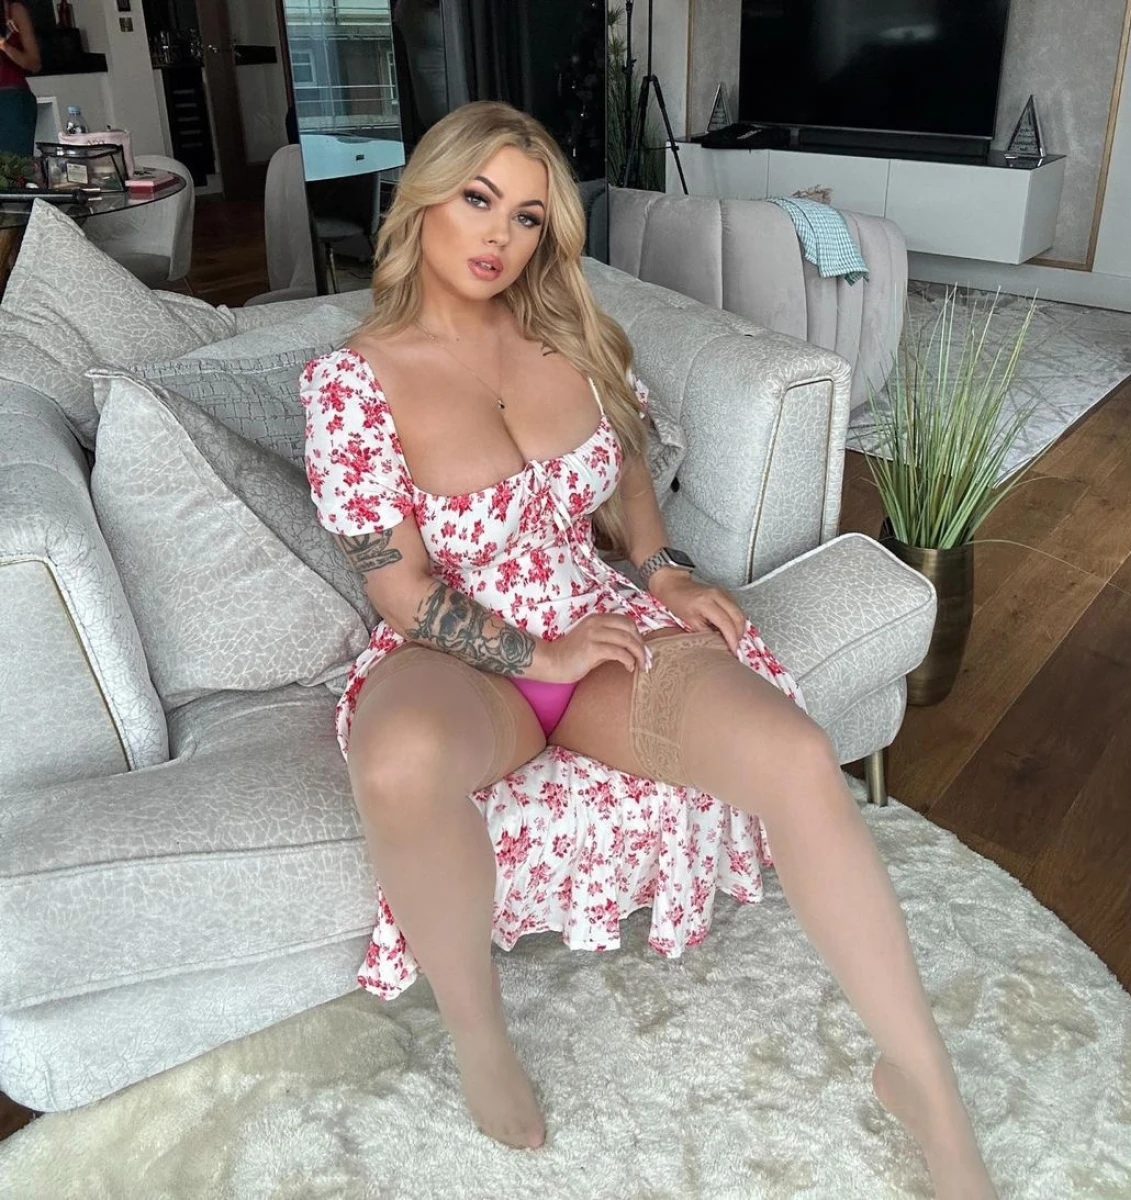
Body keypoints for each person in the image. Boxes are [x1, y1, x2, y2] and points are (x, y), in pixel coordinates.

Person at [301, 100, 996, 1198]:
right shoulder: (352, 382)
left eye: (528, 217)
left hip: (597, 619)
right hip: (455, 654)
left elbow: (622, 456)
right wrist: (540, 657)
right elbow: (398, 587)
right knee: (395, 763)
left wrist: (662, 565)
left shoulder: (566, 334)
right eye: (478, 199)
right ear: (424, 199)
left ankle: (926, 1086)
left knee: (796, 756)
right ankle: (479, 1039)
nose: (499, 235)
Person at [0, 0, 40, 157]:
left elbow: (34, 64)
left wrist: (4, 45)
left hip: (12, 99)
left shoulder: (14, 11)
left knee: (14, 166)